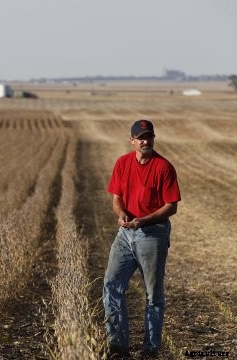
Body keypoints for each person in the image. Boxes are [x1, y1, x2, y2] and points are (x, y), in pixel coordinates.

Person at [103, 119, 181, 359]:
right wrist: (121, 214)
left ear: (153, 138)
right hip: (125, 234)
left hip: (152, 235)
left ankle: (150, 350)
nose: (145, 141)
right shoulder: (122, 163)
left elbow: (171, 206)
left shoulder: (163, 167)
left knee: (153, 296)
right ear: (132, 140)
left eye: (149, 137)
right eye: (141, 137)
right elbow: (116, 198)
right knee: (111, 287)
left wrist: (144, 220)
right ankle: (118, 347)